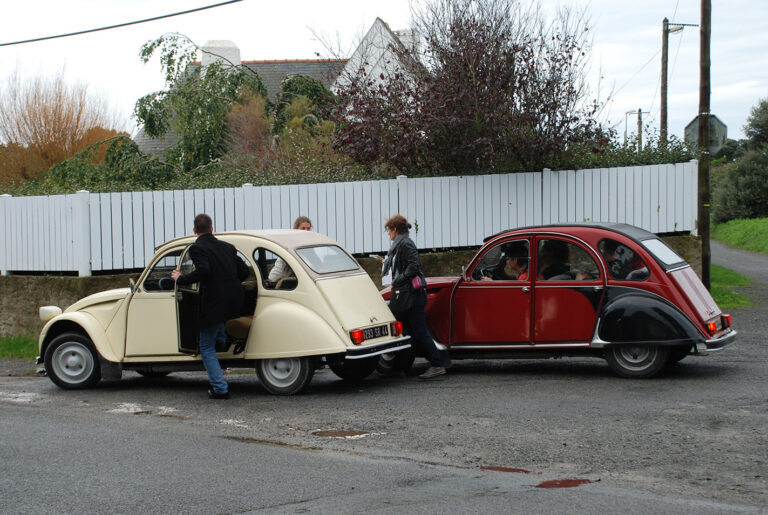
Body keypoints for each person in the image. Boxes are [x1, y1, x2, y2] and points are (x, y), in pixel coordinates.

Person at [171, 213, 249, 399]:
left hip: (215, 301)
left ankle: (220, 388)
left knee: (206, 346)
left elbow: (204, 270)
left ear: (195, 231)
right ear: (212, 228)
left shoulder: (197, 248)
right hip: (234, 299)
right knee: (218, 324)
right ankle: (221, 340)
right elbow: (244, 271)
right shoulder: (228, 247)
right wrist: (229, 283)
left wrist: (181, 278)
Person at [382, 214, 450, 379]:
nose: (388, 234)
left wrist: (398, 279)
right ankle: (400, 368)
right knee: (406, 331)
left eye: (389, 230)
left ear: (395, 229)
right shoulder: (400, 244)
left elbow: (414, 266)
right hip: (408, 294)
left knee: (417, 332)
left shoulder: (405, 243)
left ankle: (437, 364)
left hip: (412, 295)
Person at [268, 216, 312, 283]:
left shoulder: (311, 245)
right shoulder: (289, 246)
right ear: (295, 229)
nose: (306, 231)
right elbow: (276, 272)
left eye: (308, 228)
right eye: (303, 228)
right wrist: (271, 281)